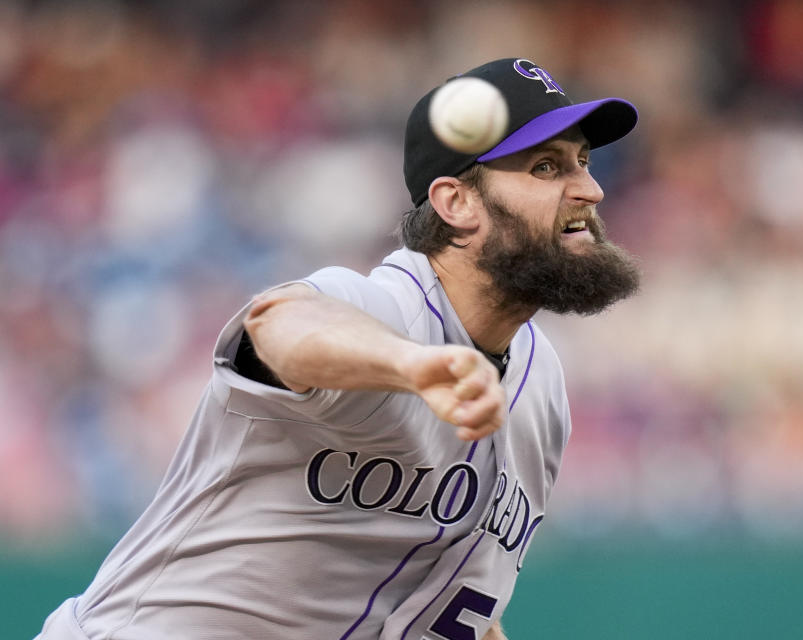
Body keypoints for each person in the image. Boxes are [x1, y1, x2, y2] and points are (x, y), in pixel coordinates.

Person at [35, 57, 640, 640]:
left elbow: (452, 607)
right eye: (546, 168)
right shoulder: (387, 309)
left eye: (582, 161)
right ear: (456, 203)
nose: (589, 189)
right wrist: (410, 364)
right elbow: (280, 328)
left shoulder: (539, 383)